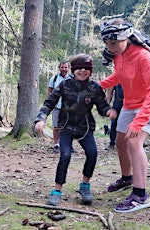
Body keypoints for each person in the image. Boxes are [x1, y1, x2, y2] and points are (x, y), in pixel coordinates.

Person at [99, 18, 150, 213]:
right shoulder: (119, 55)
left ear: (126, 37)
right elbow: (120, 75)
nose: (110, 47)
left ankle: (141, 195)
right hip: (130, 103)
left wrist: (138, 123)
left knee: (134, 142)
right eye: (107, 43)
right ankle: (127, 178)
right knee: (120, 141)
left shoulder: (143, 56)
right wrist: (99, 85)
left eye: (114, 43)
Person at [35, 53, 117, 207]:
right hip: (66, 127)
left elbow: (102, 106)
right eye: (79, 68)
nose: (82, 71)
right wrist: (41, 118)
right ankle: (57, 191)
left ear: (90, 71)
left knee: (92, 153)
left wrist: (108, 111)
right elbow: (50, 102)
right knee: (65, 155)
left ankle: (85, 186)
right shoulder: (65, 85)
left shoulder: (94, 87)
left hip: (85, 127)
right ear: (74, 70)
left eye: (86, 68)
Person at [47, 61, 77, 153]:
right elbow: (50, 91)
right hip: (57, 106)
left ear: (69, 68)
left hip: (69, 107)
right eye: (62, 67)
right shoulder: (54, 79)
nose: (64, 69)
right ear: (59, 68)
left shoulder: (73, 78)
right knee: (56, 126)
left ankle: (69, 145)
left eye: (66, 67)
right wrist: (52, 102)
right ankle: (57, 145)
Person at [105, 84, 124, 151]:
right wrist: (107, 106)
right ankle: (112, 143)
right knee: (114, 123)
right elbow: (110, 92)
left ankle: (126, 143)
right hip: (117, 103)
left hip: (128, 103)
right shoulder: (117, 78)